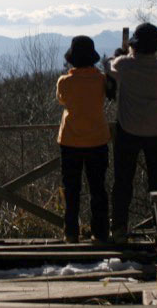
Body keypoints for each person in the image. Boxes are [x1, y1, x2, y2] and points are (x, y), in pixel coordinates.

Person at [104, 22, 157, 244]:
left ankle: (119, 228)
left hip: (128, 129)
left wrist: (118, 54)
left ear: (135, 45)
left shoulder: (124, 65)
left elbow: (108, 65)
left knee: (123, 181)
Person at [56, 35, 111, 244]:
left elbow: (62, 99)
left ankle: (71, 233)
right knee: (98, 189)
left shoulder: (65, 82)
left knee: (72, 190)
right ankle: (101, 233)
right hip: (98, 139)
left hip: (70, 141)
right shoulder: (101, 80)